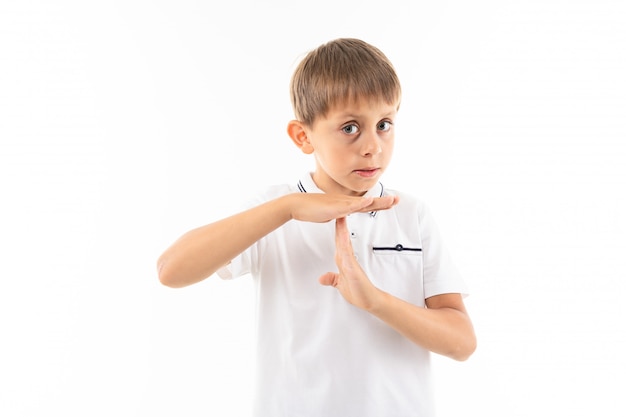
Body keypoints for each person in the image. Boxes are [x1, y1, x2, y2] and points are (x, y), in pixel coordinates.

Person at [157, 37, 476, 417]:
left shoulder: (411, 214)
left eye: (384, 124)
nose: (373, 145)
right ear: (303, 136)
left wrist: (375, 301)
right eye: (350, 128)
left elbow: (462, 342)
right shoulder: (274, 209)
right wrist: (290, 208)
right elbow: (171, 271)